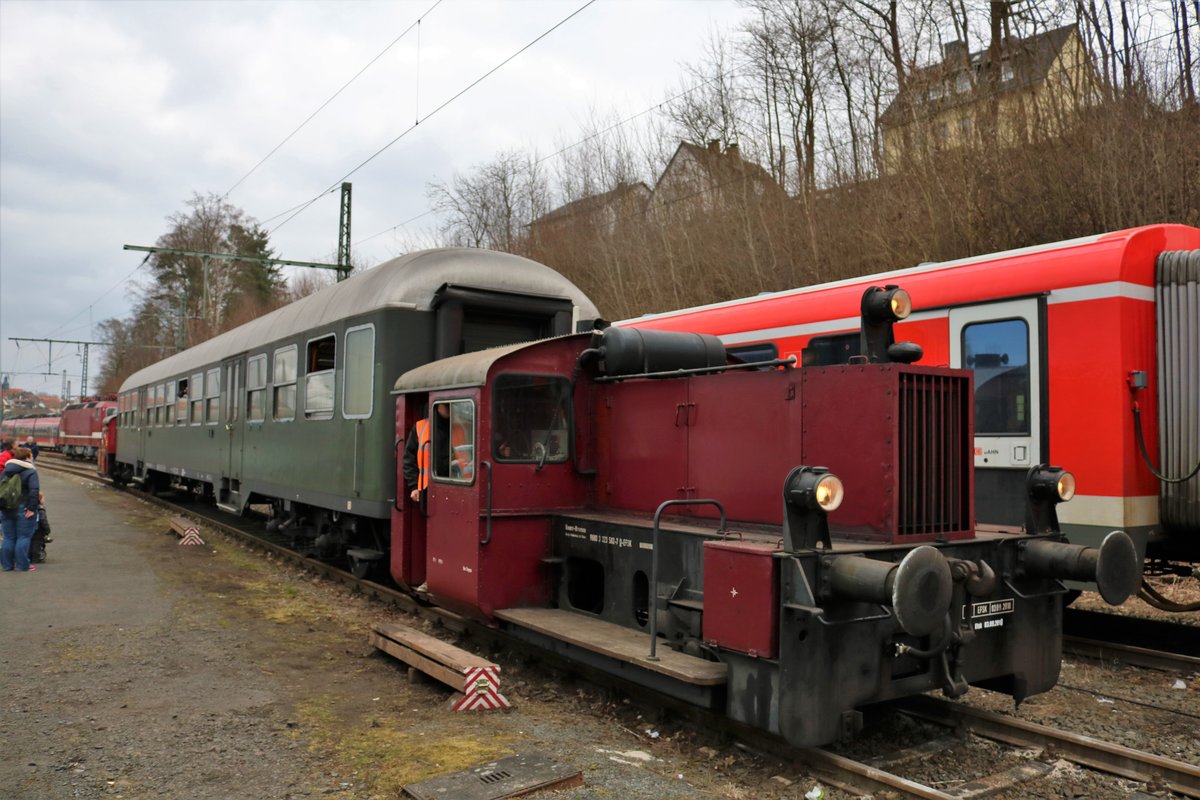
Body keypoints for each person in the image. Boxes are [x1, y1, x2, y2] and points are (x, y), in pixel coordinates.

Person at [1, 446, 41, 572]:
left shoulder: (6, 470)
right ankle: (22, 565)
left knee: (9, 537)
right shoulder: (30, 471)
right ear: (27, 457)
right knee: (23, 537)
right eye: (31, 455)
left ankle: (7, 565)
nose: (33, 457)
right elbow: (34, 491)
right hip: (24, 507)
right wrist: (32, 508)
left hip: (7, 507)